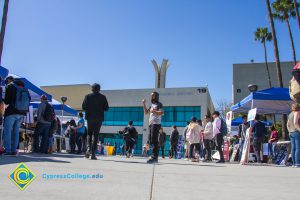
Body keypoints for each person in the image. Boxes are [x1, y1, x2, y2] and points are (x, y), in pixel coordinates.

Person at [3, 78, 30, 155]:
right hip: (21, 113)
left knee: (7, 131)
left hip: (11, 112)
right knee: (16, 132)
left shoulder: (10, 86)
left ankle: (7, 150)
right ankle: (14, 150)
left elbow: (7, 101)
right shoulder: (25, 89)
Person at [82, 83, 109, 160]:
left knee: (89, 134)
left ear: (92, 89)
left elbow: (83, 107)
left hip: (89, 118)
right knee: (96, 135)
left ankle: (88, 148)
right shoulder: (103, 97)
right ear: (99, 89)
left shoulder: (87, 96)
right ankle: (93, 154)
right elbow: (106, 108)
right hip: (99, 118)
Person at [142, 91, 164, 164]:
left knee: (154, 140)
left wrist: (153, 110)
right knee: (151, 140)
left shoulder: (159, 104)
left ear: (156, 96)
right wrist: (144, 104)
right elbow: (146, 113)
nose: (151, 97)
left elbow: (161, 113)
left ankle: (155, 157)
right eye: (151, 95)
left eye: (153, 95)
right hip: (151, 124)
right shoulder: (151, 105)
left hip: (156, 124)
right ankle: (154, 156)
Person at [287, 103, 300, 167]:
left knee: (293, 148)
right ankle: (298, 163)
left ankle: (294, 163)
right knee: (298, 148)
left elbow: (288, 124)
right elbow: (295, 122)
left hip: (291, 132)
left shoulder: (290, 114)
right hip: (296, 131)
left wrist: (289, 131)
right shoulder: (297, 113)